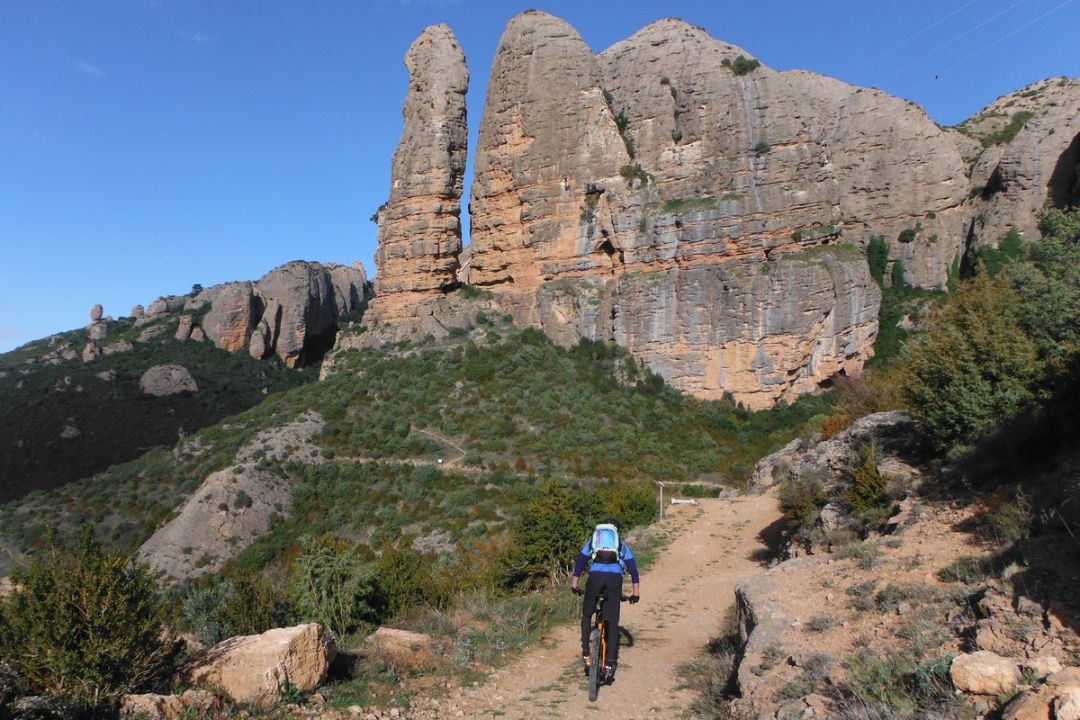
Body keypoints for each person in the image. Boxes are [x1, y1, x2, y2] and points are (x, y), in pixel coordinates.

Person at [571, 519, 640, 678]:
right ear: (616, 531)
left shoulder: (594, 540)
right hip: (614, 580)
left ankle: (586, 653)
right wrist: (636, 593)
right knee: (612, 622)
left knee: (587, 614)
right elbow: (633, 570)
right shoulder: (620, 544)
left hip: (595, 578)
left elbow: (581, 562)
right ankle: (609, 663)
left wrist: (574, 584)